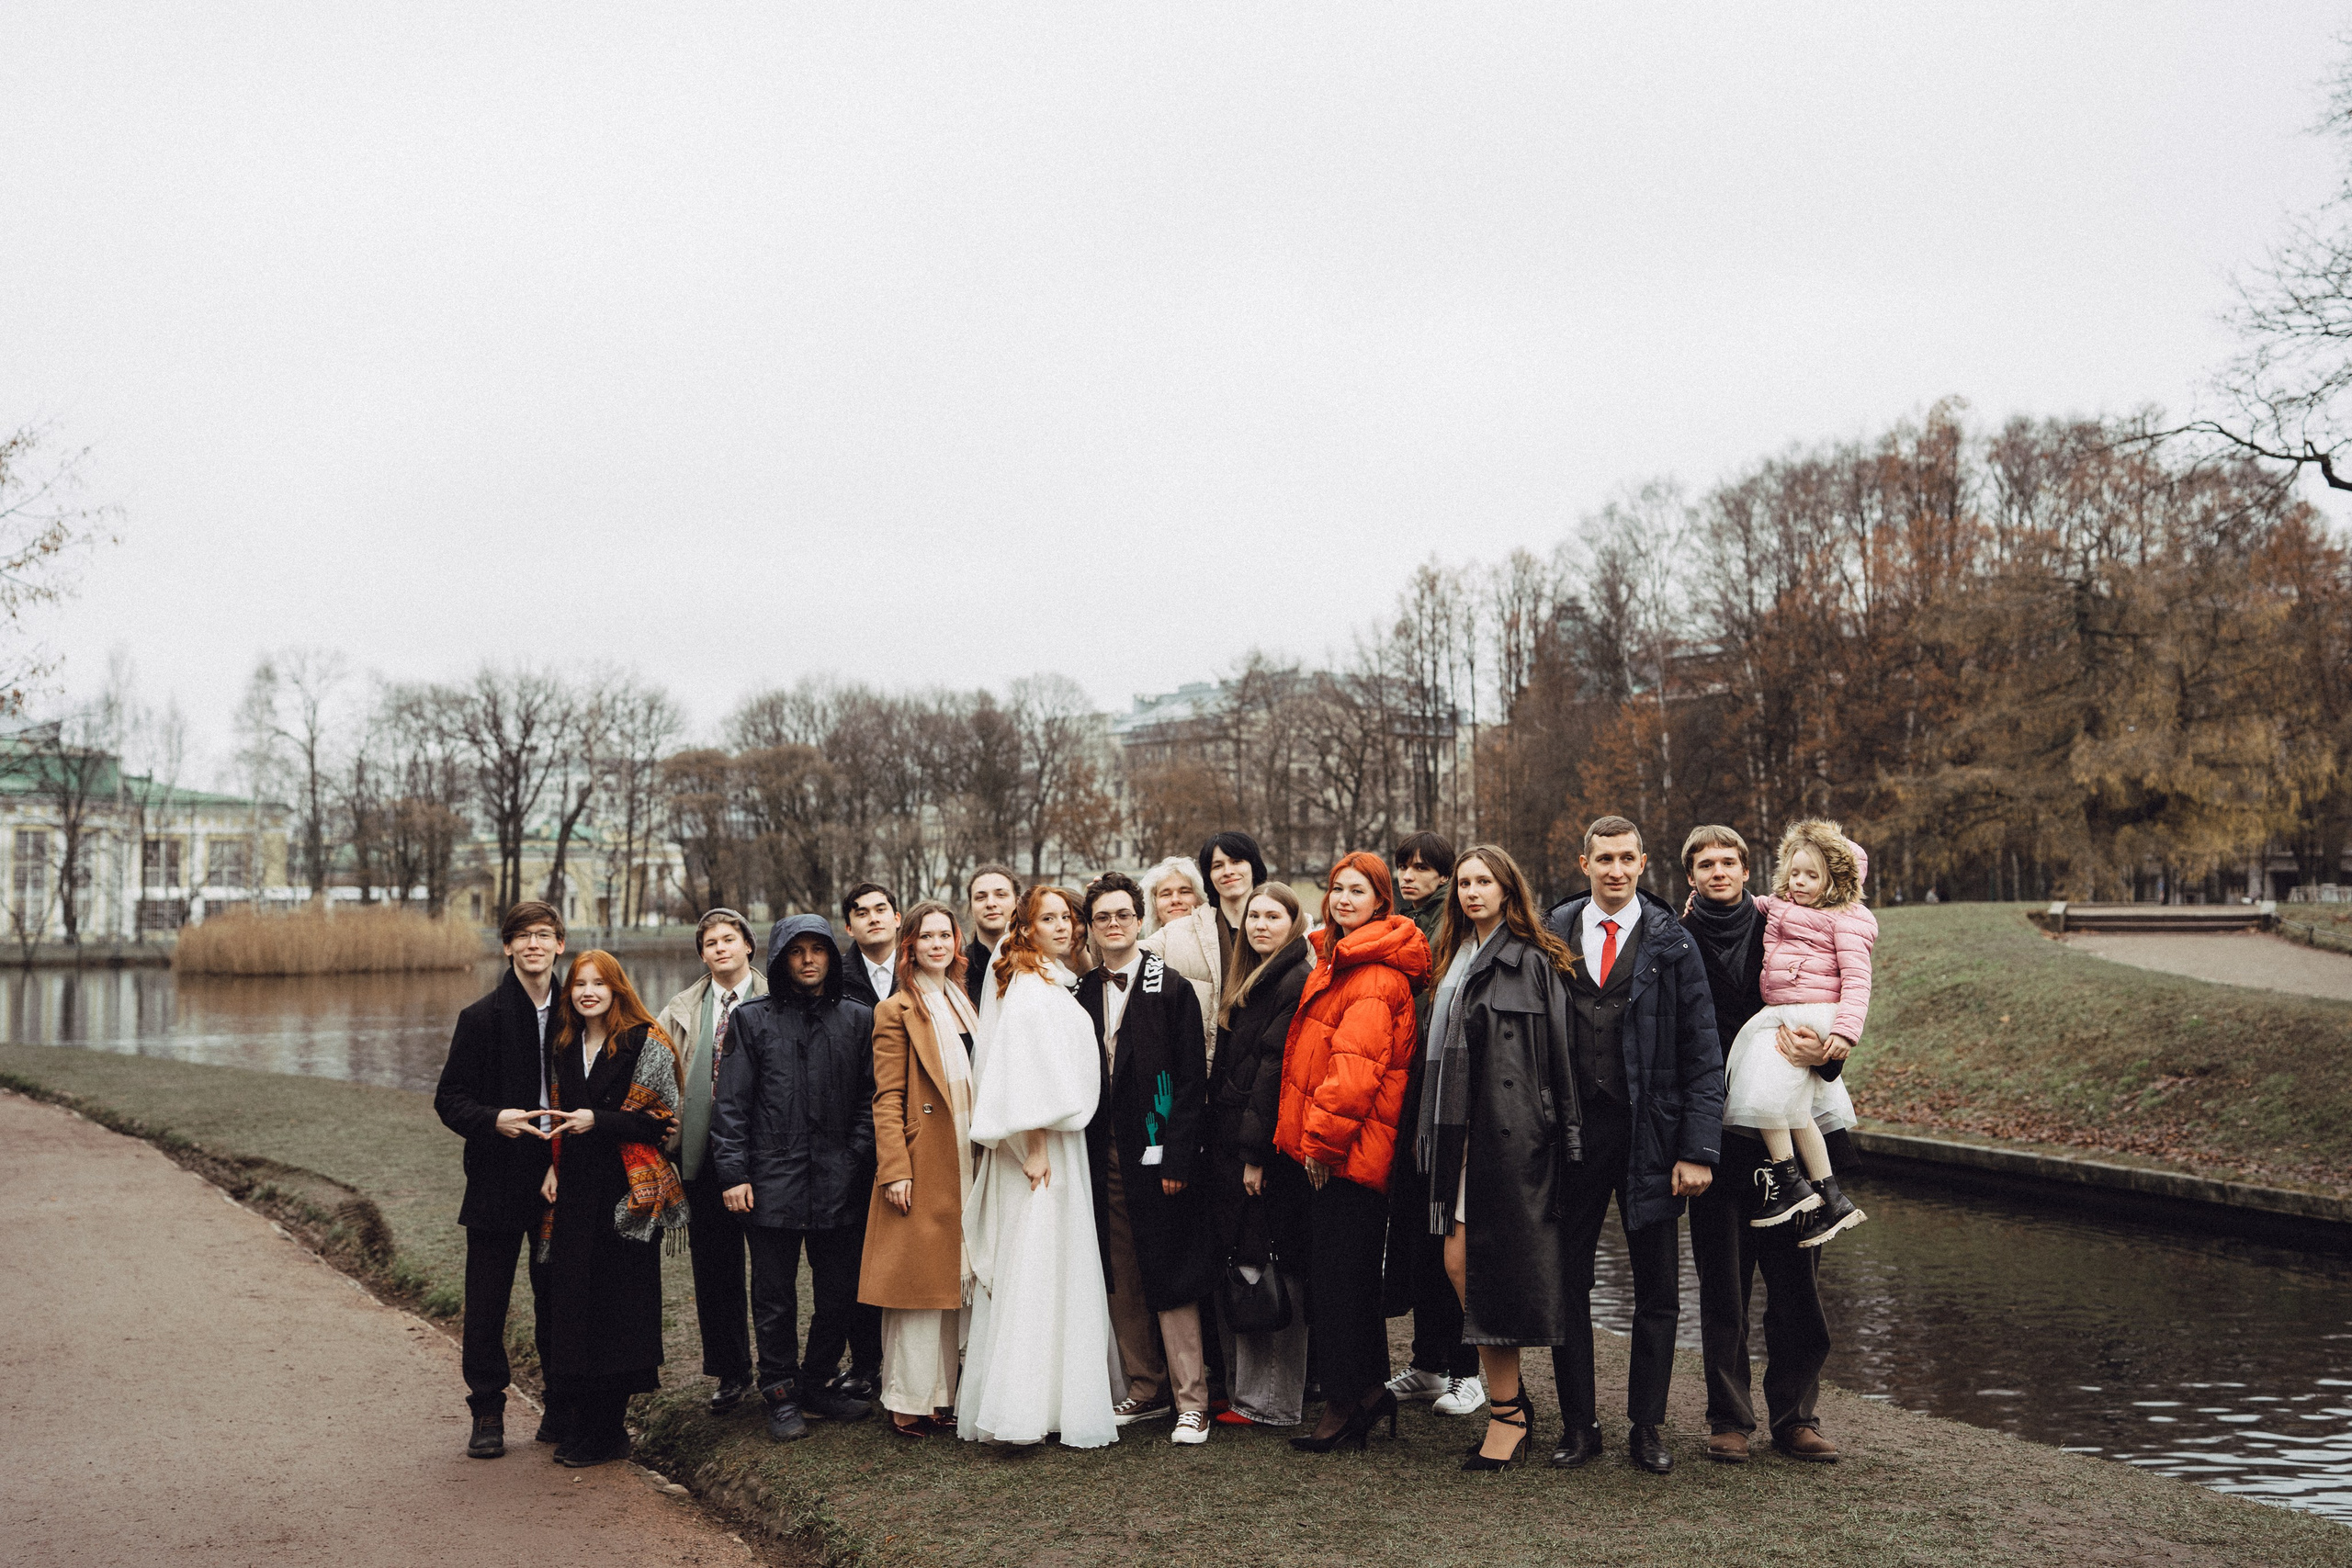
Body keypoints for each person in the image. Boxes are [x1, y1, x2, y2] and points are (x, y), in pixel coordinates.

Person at [1542, 815, 1724, 1476]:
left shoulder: (1673, 943)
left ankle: (1646, 1427)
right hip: (1571, 1138)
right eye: (1603, 859)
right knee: (1567, 1281)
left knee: (1657, 1287)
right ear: (1583, 861)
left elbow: (1704, 1053)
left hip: (1652, 1135)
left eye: (1626, 858)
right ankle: (1578, 1425)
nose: (1615, 870)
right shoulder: (1551, 935)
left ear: (1644, 862)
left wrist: (1698, 1149)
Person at [1681, 825, 1846, 1466]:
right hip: (1717, 1137)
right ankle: (1729, 1417)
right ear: (1691, 873)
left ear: (1747, 868)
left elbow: (1833, 1003)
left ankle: (1796, 1416)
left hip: (1793, 1131)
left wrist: (1828, 1056)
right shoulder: (1676, 937)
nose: (1718, 870)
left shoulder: (1789, 922)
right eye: (1706, 862)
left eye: (1729, 860)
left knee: (1797, 1285)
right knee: (1722, 1286)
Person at [1418, 846, 1583, 1470]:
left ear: (1509, 888)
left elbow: (1555, 1059)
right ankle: (1510, 1406)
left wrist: (1559, 1137)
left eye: (1484, 880)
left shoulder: (1532, 961)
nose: (1471, 891)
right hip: (1463, 1139)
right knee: (1462, 1266)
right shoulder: (1455, 958)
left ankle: (1508, 1413)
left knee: (1473, 1268)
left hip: (1511, 1142)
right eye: (1463, 881)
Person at [1275, 852, 1431, 1453]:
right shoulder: (1339, 960)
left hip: (1346, 1155)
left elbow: (1353, 1074)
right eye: (1337, 888)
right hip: (1338, 1150)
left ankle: (1346, 1401)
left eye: (1357, 890)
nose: (1342, 898)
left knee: (1341, 1283)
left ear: (1380, 901)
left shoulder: (1372, 973)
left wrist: (1319, 1144)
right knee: (1344, 1278)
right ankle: (1367, 1391)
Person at [957, 886, 1119, 1449]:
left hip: (1059, 1139)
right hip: (1043, 1145)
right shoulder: (1028, 986)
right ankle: (1023, 1403)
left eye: (1067, 918)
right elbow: (1022, 1072)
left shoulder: (1047, 978)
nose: (1062, 926)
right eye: (1047, 918)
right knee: (1038, 1262)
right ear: (1024, 928)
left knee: (1055, 1262)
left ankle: (1053, 1395)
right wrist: (1036, 1145)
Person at [710, 915, 882, 1441]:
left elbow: (869, 1101)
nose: (809, 960)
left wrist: (852, 1157)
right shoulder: (753, 1020)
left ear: (832, 956)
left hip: (838, 1180)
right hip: (770, 1180)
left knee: (840, 1292)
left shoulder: (858, 1019)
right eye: (797, 951)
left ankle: (815, 1381)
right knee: (775, 1294)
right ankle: (780, 1392)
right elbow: (731, 1105)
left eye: (818, 950)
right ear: (782, 959)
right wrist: (734, 1173)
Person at [1076, 872, 1218, 1445]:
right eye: (1102, 917)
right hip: (1101, 1150)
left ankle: (1193, 1399)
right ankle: (1144, 1386)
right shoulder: (1081, 992)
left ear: (1141, 920)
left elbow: (1190, 1082)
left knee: (1171, 1268)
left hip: (1161, 1151)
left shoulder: (1172, 987)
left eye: (1123, 915)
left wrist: (1178, 1158)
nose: (1114, 925)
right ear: (1091, 927)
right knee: (1122, 1270)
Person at [535, 950, 688, 1468]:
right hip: (576, 1188)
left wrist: (596, 1120)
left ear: (616, 987)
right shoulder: (564, 1045)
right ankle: (584, 1425)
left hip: (627, 1195)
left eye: (599, 983)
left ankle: (609, 1431)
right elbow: (559, 1118)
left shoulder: (646, 1041)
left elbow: (660, 1122)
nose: (588, 992)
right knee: (575, 1308)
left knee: (618, 1313)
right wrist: (554, 1164)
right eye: (579, 984)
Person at [434, 899, 566, 1460]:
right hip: (496, 1175)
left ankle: (561, 1406)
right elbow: (449, 1099)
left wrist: (564, 1162)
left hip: (562, 1176)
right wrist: (494, 1119)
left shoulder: (581, 1012)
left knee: (558, 1297)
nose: (534, 944)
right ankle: (487, 1408)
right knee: (487, 1299)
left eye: (544, 935)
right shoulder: (480, 1017)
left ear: (560, 944)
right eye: (522, 936)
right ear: (507, 946)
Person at [859, 901, 981, 1436]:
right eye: (925, 936)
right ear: (908, 946)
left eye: (944, 935)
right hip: (925, 1154)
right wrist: (895, 1169)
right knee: (919, 1284)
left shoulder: (967, 1001)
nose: (936, 944)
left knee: (960, 1276)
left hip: (973, 1149)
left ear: (957, 942)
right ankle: (908, 1397)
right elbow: (885, 1097)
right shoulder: (896, 1010)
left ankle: (949, 1395)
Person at [1720, 820, 1872, 1243]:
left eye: (1812, 875)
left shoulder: (1847, 919)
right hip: (1789, 1008)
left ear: (1835, 881)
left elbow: (1858, 982)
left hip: (1813, 1013)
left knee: (1761, 1089)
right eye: (1794, 872)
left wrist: (1843, 1036)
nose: (1799, 882)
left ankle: (1789, 1181)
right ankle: (1829, 1195)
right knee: (1791, 1105)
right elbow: (1759, 904)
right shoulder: (1785, 905)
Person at [1380, 829, 1487, 1419]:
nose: (1410, 876)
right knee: (1419, 1237)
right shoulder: (1405, 924)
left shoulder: (1450, 932)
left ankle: (1468, 1368)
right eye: (1404, 867)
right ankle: (1428, 1362)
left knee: (1453, 1237)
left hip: (1443, 1090)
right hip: (1410, 1095)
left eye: (1423, 868)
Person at [1204, 882, 1314, 1429]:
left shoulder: (1292, 978)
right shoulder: (1253, 976)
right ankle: (1252, 1394)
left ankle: (1273, 1402)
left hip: (1264, 1150)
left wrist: (1255, 1156)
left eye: (1274, 916)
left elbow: (1274, 1073)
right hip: (1237, 1142)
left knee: (1270, 1264)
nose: (1260, 925)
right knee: (1249, 1260)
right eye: (1254, 916)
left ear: (1294, 923)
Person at [653, 908, 770, 1415]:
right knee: (715, 1273)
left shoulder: (775, 999)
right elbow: (656, 1072)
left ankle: (780, 1371)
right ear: (702, 954)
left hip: (765, 1163)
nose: (721, 948)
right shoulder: (681, 1008)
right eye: (711, 943)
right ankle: (730, 1370)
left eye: (730, 939)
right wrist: (666, 1120)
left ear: (749, 945)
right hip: (700, 1161)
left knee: (771, 1273)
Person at [1142, 831, 1269, 1051]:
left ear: (1253, 866)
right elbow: (1124, 959)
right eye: (1217, 865)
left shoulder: (1289, 927)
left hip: (1267, 1062)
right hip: (1211, 1063)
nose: (1228, 871)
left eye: (1236, 861)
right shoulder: (1178, 931)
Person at [964, 864, 1022, 1009]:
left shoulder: (1038, 962)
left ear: (1018, 902)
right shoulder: (956, 968)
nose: (990, 903)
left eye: (1001, 895)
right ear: (971, 907)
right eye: (980, 897)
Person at [838, 883, 903, 1010]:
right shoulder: (835, 978)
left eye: (880, 910)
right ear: (849, 928)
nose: (873, 919)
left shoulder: (919, 970)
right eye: (862, 914)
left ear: (897, 919)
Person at [1140, 855, 1205, 933]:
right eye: (1166, 894)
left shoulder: (1218, 941)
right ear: (1154, 906)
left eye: (1184, 892)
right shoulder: (1146, 945)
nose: (1175, 900)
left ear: (1199, 899)